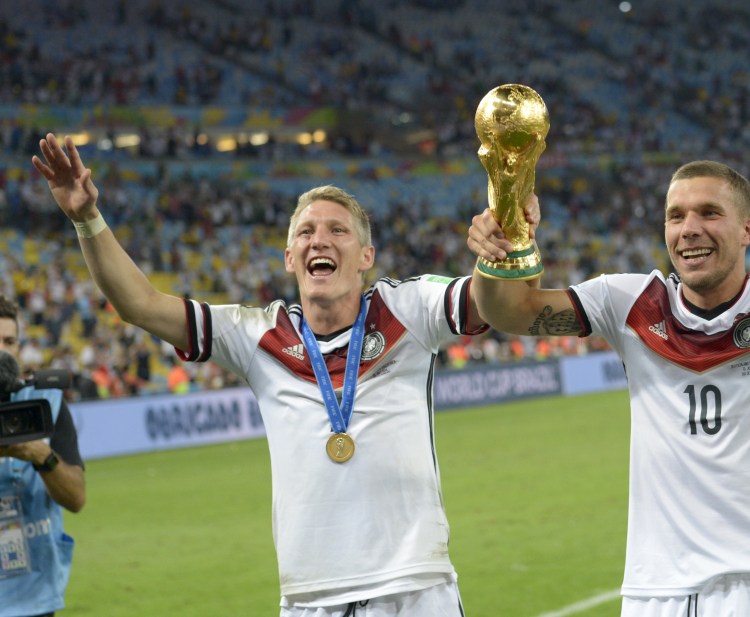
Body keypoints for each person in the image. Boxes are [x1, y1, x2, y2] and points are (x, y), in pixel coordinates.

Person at [31, 133, 524, 616]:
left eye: (338, 230)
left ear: (366, 258)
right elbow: (139, 304)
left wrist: (498, 249)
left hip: (415, 590)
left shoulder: (408, 309)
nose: (319, 240)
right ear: (290, 258)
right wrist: (86, 218)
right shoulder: (257, 335)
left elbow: (490, 303)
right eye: (305, 232)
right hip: (309, 598)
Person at [467, 160, 750, 616]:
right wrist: (504, 249)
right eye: (676, 216)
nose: (689, 229)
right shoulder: (628, 304)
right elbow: (508, 311)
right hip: (654, 592)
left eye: (709, 213)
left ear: (747, 230)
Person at [0, 296, 86, 617]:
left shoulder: (44, 402)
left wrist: (40, 454)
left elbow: (76, 498)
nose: (2, 350)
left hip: (36, 595)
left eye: (9, 341)